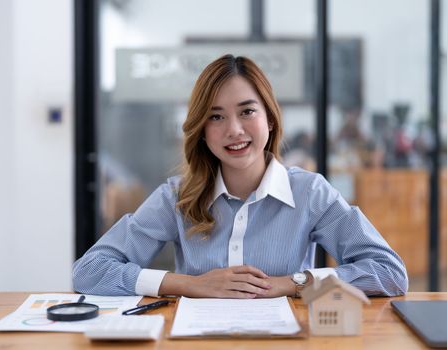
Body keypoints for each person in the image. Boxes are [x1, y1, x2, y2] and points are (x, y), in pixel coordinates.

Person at [73, 54, 408, 298]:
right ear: (202, 132)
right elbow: (89, 271)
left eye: (247, 111)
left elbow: (389, 272)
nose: (234, 130)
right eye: (216, 117)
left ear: (271, 119)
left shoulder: (310, 192)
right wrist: (189, 284)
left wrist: (293, 283)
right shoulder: (177, 196)